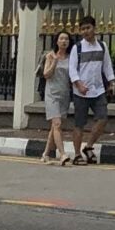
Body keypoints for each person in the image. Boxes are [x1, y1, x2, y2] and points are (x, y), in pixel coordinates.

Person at [67, 13, 113, 163]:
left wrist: (112, 81)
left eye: (88, 28)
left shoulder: (102, 46)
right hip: (81, 91)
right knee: (79, 124)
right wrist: (78, 84)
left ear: (94, 28)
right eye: (82, 29)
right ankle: (77, 154)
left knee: (103, 118)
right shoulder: (77, 48)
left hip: (98, 89)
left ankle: (89, 145)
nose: (85, 31)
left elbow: (107, 65)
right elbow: (72, 69)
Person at [39, 24, 74, 163]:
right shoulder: (50, 56)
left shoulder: (71, 58)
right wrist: (54, 62)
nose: (64, 41)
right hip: (51, 94)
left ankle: (46, 153)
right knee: (57, 124)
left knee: (55, 126)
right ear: (57, 41)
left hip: (64, 94)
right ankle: (62, 153)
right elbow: (46, 74)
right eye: (61, 39)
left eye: (66, 39)